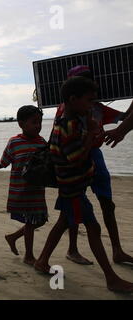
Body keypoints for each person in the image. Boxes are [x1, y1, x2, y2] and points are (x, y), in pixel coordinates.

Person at [34, 76, 133, 293]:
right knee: (94, 227)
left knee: (63, 222)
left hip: (71, 186)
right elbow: (76, 157)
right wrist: (89, 133)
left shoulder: (73, 122)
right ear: (73, 99)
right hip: (73, 189)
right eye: (89, 101)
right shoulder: (68, 126)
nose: (92, 105)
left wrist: (88, 129)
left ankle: (42, 260)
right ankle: (111, 278)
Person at [55, 65, 133, 265]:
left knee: (107, 203)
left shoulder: (96, 106)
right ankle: (72, 249)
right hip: (75, 160)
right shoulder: (67, 111)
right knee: (72, 208)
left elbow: (124, 118)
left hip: (95, 156)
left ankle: (117, 250)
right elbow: (62, 142)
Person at [0, 105, 48, 266]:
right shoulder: (14, 142)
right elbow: (3, 163)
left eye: (40, 122)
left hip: (37, 190)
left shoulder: (42, 142)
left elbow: (48, 164)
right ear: (21, 124)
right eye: (34, 122)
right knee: (30, 222)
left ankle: (13, 237)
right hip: (21, 190)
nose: (38, 125)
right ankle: (28, 256)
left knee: (40, 220)